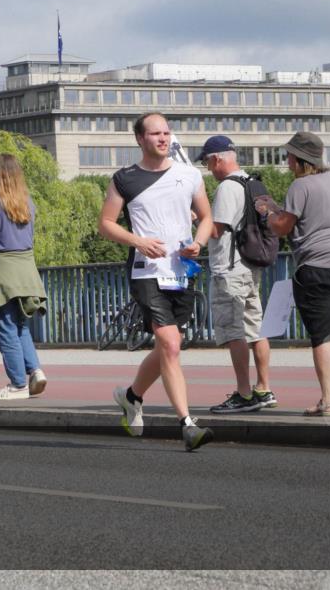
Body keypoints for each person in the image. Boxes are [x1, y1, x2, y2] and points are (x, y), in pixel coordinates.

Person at [98, 112, 214, 451]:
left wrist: (199, 243)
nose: (163, 138)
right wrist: (138, 241)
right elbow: (106, 224)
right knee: (171, 344)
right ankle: (187, 424)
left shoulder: (189, 175)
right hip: (146, 270)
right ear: (140, 139)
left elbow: (206, 217)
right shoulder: (125, 179)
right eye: (154, 134)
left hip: (181, 270)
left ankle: (132, 396)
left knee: (168, 346)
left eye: (166, 132)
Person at [256, 131, 330, 416]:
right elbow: (309, 216)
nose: (286, 161)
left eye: (289, 156)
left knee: (323, 335)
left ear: (299, 159)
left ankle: (328, 401)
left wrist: (267, 213)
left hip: (320, 268)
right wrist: (279, 210)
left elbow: (283, 227)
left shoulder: (300, 185)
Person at [197, 136, 276, 414]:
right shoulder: (253, 183)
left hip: (229, 269)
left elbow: (216, 230)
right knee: (256, 329)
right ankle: (263, 388)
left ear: (217, 159)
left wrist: (198, 217)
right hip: (250, 265)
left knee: (234, 332)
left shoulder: (227, 187)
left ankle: (244, 394)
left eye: (207, 162)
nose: (208, 168)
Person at [0, 153, 48, 400]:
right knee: (20, 325)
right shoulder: (28, 202)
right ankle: (35, 371)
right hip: (27, 269)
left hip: (4, 271)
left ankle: (18, 384)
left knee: (5, 328)